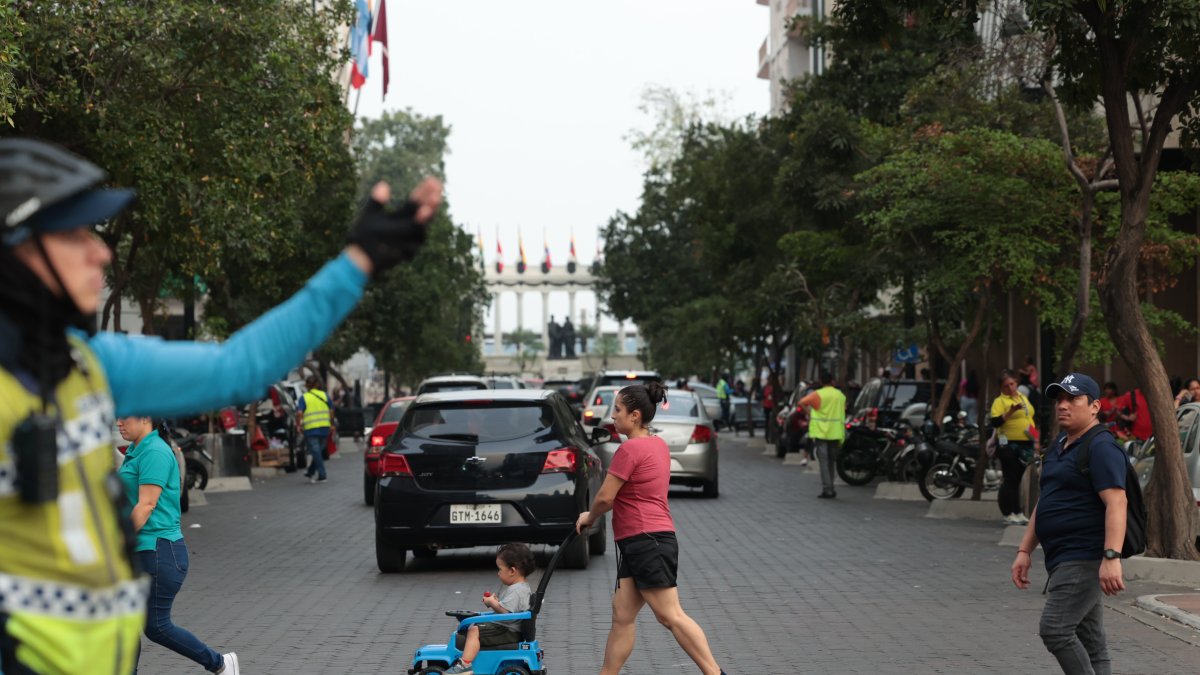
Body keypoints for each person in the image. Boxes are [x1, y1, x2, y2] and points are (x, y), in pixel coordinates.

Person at [0, 137, 441, 674]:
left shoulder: (89, 365)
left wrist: (358, 261)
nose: (102, 252)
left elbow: (239, 367)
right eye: (74, 235)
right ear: (15, 250)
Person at [575, 383, 726, 675]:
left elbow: (606, 497)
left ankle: (715, 673)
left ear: (634, 415)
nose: (613, 416)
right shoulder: (657, 444)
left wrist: (589, 517)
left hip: (647, 540)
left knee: (670, 615)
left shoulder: (629, 449)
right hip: (641, 541)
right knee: (622, 614)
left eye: (617, 410)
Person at [1011, 373, 1128, 675]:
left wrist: (1112, 557)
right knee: (1091, 641)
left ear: (1094, 406)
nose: (1063, 405)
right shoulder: (1060, 445)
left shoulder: (1101, 447)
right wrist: (1025, 550)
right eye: (1059, 399)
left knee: (1055, 629)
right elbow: (1047, 501)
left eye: (1073, 398)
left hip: (1083, 556)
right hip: (1061, 557)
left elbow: (1117, 503)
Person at [116, 416, 235, 674]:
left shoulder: (155, 452)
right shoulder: (138, 449)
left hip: (158, 551)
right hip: (142, 552)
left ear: (146, 418)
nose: (118, 423)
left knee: (156, 626)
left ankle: (220, 663)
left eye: (124, 417)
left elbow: (146, 505)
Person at [444, 543, 535, 675]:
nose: (498, 573)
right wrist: (498, 603)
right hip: (509, 627)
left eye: (500, 569)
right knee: (473, 625)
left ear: (512, 571)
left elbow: (505, 612)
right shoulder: (522, 587)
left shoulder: (516, 591)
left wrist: (492, 602)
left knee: (474, 630)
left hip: (507, 630)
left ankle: (465, 665)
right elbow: (510, 609)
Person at [990, 369, 1039, 524]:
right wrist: (1009, 413)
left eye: (1012, 384)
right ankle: (1008, 512)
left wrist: (1036, 439)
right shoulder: (1000, 401)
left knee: (1017, 478)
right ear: (1001, 388)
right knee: (1010, 478)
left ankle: (1017, 511)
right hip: (1009, 444)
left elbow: (1029, 418)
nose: (1010, 388)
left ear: (1016, 383)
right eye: (1006, 386)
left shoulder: (1023, 397)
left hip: (1026, 443)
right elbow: (995, 422)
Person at [798, 371, 846, 499]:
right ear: (832, 381)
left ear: (820, 381)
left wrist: (810, 412)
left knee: (824, 461)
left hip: (821, 432)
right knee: (831, 461)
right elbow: (843, 410)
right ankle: (831, 487)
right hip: (835, 432)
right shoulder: (840, 395)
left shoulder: (817, 395)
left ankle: (827, 489)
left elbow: (801, 402)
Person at [298, 374, 334, 483]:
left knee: (316, 451)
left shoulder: (304, 398)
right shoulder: (325, 395)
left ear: (307, 385)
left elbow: (299, 413)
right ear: (317, 385)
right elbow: (331, 411)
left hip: (311, 429)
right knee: (318, 451)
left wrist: (299, 425)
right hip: (324, 428)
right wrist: (332, 424)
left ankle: (322, 475)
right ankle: (310, 472)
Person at [761, 378, 776, 444]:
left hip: (773, 406)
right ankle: (767, 436)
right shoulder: (765, 388)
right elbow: (762, 397)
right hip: (766, 406)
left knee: (773, 422)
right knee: (767, 421)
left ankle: (771, 436)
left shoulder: (774, 388)